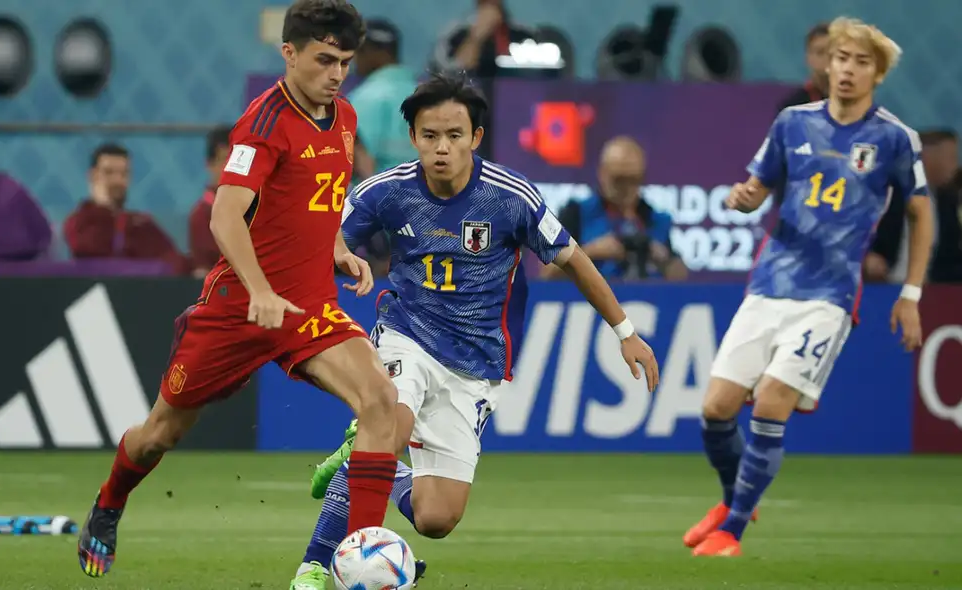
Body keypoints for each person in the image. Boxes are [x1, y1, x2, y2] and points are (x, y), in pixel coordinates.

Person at [288, 72, 660, 590]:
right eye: (430, 136)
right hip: (406, 336)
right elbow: (323, 235)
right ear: (414, 137)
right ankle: (316, 564)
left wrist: (625, 332)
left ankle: (364, 461)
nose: (442, 148)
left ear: (476, 138)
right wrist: (338, 254)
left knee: (436, 518)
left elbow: (573, 258)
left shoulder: (511, 198)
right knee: (386, 427)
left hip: (475, 363)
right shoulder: (387, 191)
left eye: (454, 136)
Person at [76, 0, 403, 579]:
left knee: (381, 402)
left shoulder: (345, 119)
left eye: (345, 62)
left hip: (308, 309)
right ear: (290, 53)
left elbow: (314, 201)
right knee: (158, 436)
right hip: (236, 311)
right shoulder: (263, 122)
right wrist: (257, 289)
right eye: (325, 60)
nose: (335, 74)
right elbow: (225, 218)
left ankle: (361, 564)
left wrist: (337, 250)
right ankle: (109, 502)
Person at [684, 17, 933, 557]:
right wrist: (743, 198)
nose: (846, 69)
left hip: (828, 298)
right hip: (770, 285)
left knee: (771, 403)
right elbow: (757, 186)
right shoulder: (792, 123)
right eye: (840, 58)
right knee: (715, 409)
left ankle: (734, 532)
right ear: (827, 63)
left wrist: (911, 294)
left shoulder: (893, 138)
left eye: (861, 62)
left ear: (878, 73)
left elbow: (920, 212)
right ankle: (733, 500)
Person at [546, 136, 688, 281]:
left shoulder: (656, 220)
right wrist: (590, 252)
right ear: (602, 173)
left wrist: (663, 259)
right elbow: (547, 273)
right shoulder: (576, 214)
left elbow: (682, 278)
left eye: (633, 180)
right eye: (618, 180)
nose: (626, 188)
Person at [64, 143, 190, 274]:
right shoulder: (78, 222)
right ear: (93, 176)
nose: (117, 180)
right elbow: (89, 250)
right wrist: (103, 208)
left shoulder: (140, 224)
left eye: (124, 173)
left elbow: (173, 261)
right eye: (109, 173)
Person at [346, 18, 417, 179]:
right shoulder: (424, 95)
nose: (354, 59)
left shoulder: (365, 97)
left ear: (375, 53)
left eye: (359, 51)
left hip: (378, 199)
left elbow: (361, 161)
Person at [188, 125, 232, 276]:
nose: (234, 169)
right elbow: (202, 272)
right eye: (226, 161)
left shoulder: (261, 208)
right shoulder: (201, 215)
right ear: (210, 165)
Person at [777, 23, 830, 111]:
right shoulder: (793, 107)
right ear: (808, 58)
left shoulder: (854, 103)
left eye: (832, 52)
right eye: (820, 52)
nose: (827, 58)